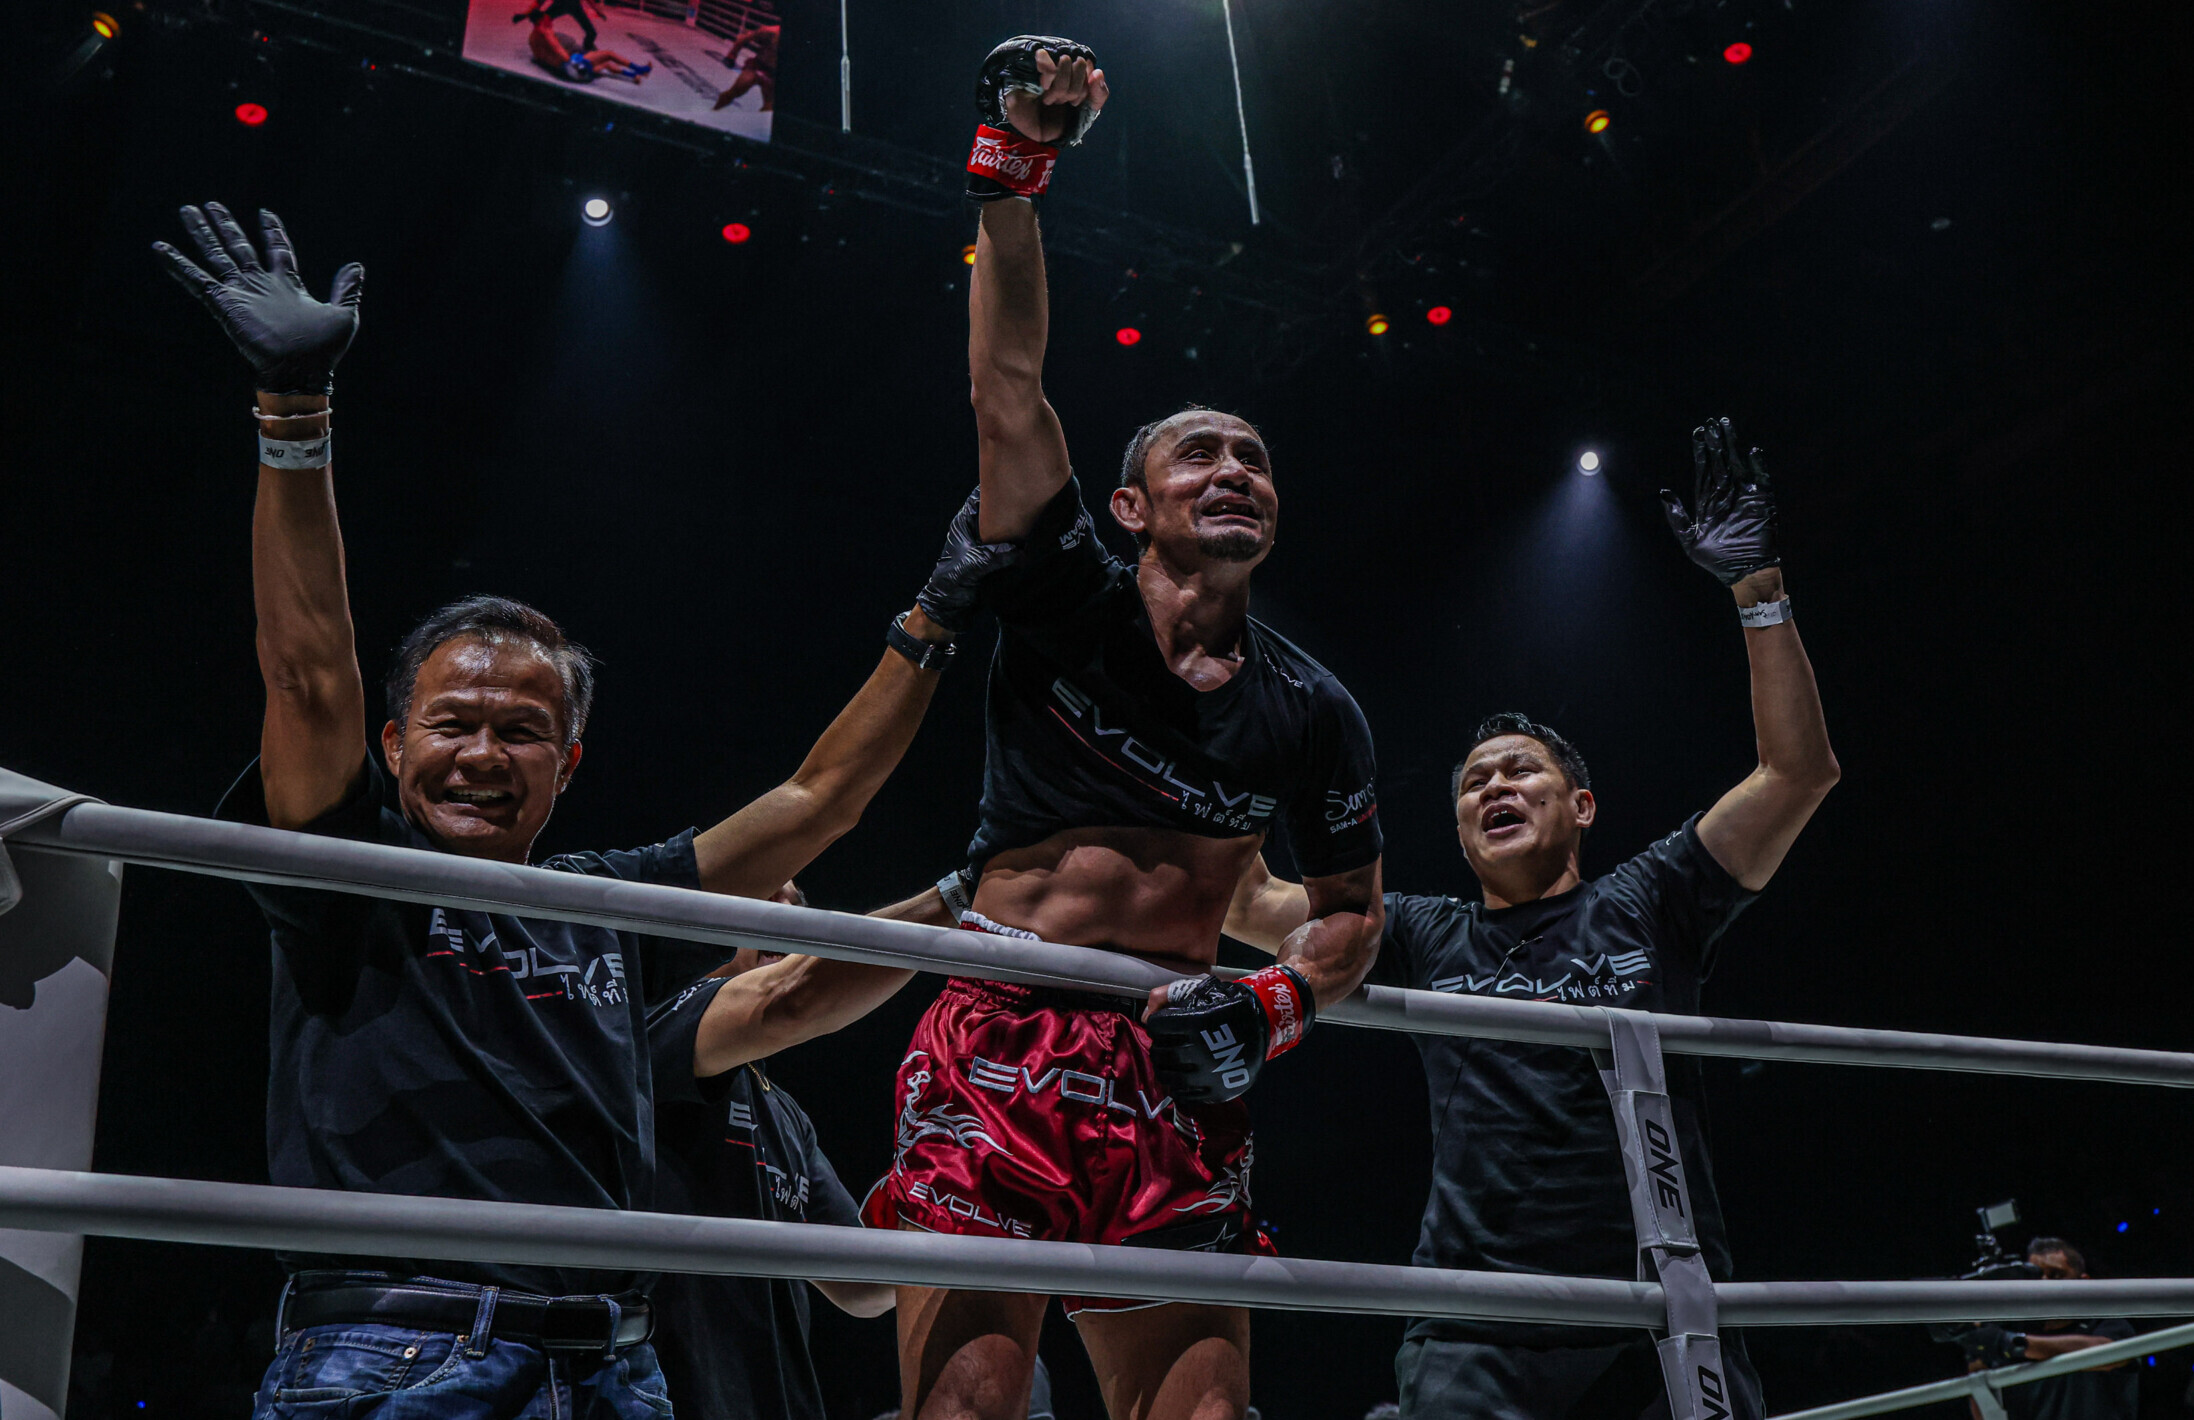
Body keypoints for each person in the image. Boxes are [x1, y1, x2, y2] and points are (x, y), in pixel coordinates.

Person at [151, 201, 974, 1420]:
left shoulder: (600, 903)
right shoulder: (346, 874)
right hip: (403, 1345)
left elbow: (815, 802)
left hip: (612, 1364)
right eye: (453, 723)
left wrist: (936, 617)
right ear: (393, 745)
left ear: (568, 759)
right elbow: (305, 670)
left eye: (521, 729)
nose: (483, 752)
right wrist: (292, 415)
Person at [870, 37, 1388, 1420]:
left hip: (1176, 1055)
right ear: (1131, 507)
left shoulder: (1311, 708)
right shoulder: (1061, 599)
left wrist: (1274, 1001)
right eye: (1198, 455)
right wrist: (1011, 178)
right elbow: (1008, 388)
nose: (1234, 469)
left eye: (1255, 458)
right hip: (1003, 1032)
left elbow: (1350, 914)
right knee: (968, 1408)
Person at [1224, 417, 1840, 1419]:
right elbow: (1249, 904)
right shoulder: (1421, 930)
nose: (1492, 786)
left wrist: (1756, 592)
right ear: (1461, 826)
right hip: (1477, 1324)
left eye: (1519, 769)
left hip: (1656, 1306)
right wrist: (1221, 721)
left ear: (1579, 805)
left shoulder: (1650, 896)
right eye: (1472, 782)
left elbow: (1795, 773)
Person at [643, 889, 918, 1420]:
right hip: (669, 1400)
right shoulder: (649, 1030)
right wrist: (950, 899)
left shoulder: (786, 1115)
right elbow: (790, 1002)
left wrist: (957, 1176)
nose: (789, 914)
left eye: (799, 901)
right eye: (766, 893)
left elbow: (865, 1286)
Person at [1959, 1238, 2139, 1420]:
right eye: (2036, 1277)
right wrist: (1976, 1354)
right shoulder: (2010, 1335)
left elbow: (2107, 1354)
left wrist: (2015, 1343)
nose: (2044, 1284)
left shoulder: (2104, 1324)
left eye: (2056, 1275)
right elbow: (1986, 1414)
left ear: (2083, 1281)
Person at [712, 24, 778, 112]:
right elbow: (744, 38)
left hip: (772, 73)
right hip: (757, 67)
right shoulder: (771, 31)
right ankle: (715, 110)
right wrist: (732, 55)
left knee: (769, 105)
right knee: (736, 91)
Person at [515, 0, 597, 53]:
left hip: (573, 5)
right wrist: (525, 14)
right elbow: (539, 2)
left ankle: (588, 48)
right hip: (561, 5)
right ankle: (539, 42)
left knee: (592, 33)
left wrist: (597, 10)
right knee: (541, 20)